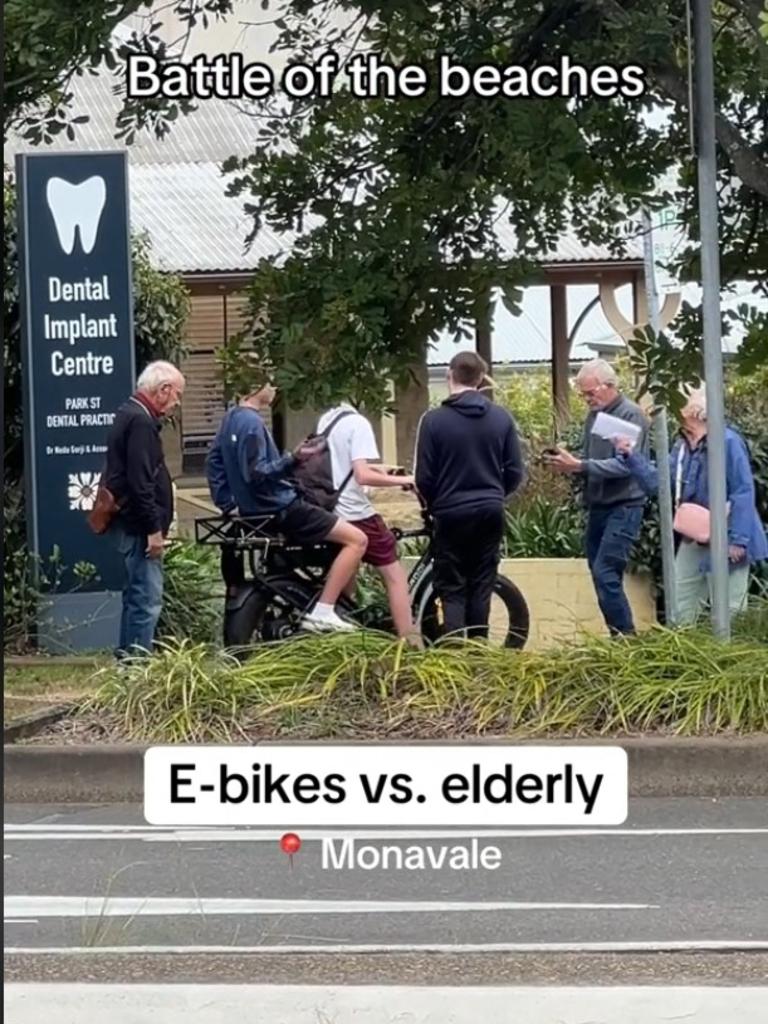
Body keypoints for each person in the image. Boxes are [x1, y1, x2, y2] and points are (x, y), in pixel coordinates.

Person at [206, 379, 367, 633]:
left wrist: (227, 503)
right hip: (283, 507)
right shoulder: (252, 423)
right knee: (357, 540)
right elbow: (257, 473)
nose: (274, 388)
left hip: (255, 511)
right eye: (269, 383)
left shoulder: (230, 419)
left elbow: (214, 462)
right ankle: (325, 611)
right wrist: (294, 458)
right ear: (255, 386)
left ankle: (334, 608)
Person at [615, 386, 767, 624]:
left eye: (677, 402)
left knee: (729, 607)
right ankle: (685, 654)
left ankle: (727, 656)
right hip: (695, 534)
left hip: (726, 533)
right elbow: (659, 483)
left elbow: (743, 490)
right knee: (681, 600)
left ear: (695, 411)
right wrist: (630, 455)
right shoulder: (683, 445)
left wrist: (738, 540)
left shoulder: (727, 441)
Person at [414, 350, 524, 639]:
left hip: (450, 513)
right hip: (490, 510)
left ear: (450, 375)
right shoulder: (501, 418)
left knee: (452, 586)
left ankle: (455, 656)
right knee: (481, 582)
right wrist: (495, 495)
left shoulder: (433, 421)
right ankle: (479, 652)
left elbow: (424, 478)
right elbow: (515, 472)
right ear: (480, 379)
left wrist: (434, 504)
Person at [544, 358, 650, 636]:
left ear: (610, 386)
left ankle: (625, 639)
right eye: (583, 394)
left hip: (625, 505)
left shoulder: (629, 415)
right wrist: (570, 464)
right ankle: (620, 636)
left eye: (590, 392)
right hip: (600, 505)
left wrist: (580, 466)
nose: (587, 399)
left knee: (605, 572)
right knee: (601, 573)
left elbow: (627, 465)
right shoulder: (596, 415)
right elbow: (594, 460)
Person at [316, 400, 420, 643]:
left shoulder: (327, 420)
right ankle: (410, 644)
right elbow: (362, 475)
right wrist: (410, 480)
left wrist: (384, 470)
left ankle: (343, 631)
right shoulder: (358, 423)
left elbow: (345, 468)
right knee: (395, 576)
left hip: (333, 510)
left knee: (349, 577)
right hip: (356, 512)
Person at [104, 360, 185, 657]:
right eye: (177, 394)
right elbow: (141, 481)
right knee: (146, 600)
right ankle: (137, 669)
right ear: (163, 390)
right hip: (139, 527)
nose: (177, 403)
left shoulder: (128, 413)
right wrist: (153, 529)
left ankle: (128, 663)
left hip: (130, 523)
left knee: (135, 597)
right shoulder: (140, 421)